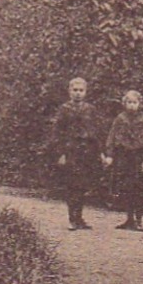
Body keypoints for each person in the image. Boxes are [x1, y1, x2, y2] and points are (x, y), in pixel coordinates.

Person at [50, 76, 102, 230]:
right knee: (72, 185)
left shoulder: (90, 109)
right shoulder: (64, 109)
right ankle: (72, 218)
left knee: (83, 185)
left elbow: (95, 131)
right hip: (71, 150)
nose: (78, 93)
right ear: (69, 91)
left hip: (87, 150)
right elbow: (58, 133)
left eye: (81, 90)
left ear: (85, 92)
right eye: (75, 90)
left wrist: (100, 152)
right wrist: (61, 153)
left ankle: (80, 218)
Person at [103, 89, 143, 231]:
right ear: (124, 103)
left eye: (135, 102)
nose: (132, 105)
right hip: (124, 157)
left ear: (140, 104)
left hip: (138, 157)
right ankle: (129, 219)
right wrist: (110, 155)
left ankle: (138, 220)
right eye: (129, 102)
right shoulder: (120, 119)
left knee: (138, 188)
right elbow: (112, 137)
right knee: (126, 188)